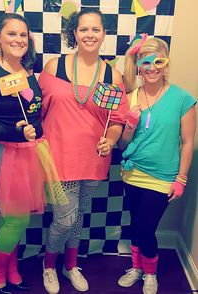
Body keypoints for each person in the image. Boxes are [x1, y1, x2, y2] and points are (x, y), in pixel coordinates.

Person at [0, 13, 66, 294]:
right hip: (1, 155)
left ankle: (11, 268)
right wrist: (14, 132)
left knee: (17, 217)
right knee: (16, 218)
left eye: (23, 35)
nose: (18, 40)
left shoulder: (26, 71)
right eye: (11, 34)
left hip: (29, 152)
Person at [38, 8, 129, 294]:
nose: (89, 35)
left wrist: (111, 140)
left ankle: (71, 264)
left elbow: (117, 120)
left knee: (77, 217)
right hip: (58, 156)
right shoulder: (55, 66)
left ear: (103, 34)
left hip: (93, 158)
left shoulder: (112, 74)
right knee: (64, 217)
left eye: (96, 29)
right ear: (74, 33)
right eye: (83, 29)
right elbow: (37, 110)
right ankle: (49, 265)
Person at [117, 37, 196, 294]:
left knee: (145, 227)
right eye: (146, 62)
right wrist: (129, 124)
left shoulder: (183, 98)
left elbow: (187, 142)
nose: (152, 68)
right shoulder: (130, 98)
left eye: (158, 61)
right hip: (132, 172)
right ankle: (137, 267)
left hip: (162, 177)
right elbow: (122, 144)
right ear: (139, 66)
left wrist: (181, 178)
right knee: (135, 222)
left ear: (166, 65)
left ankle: (150, 273)